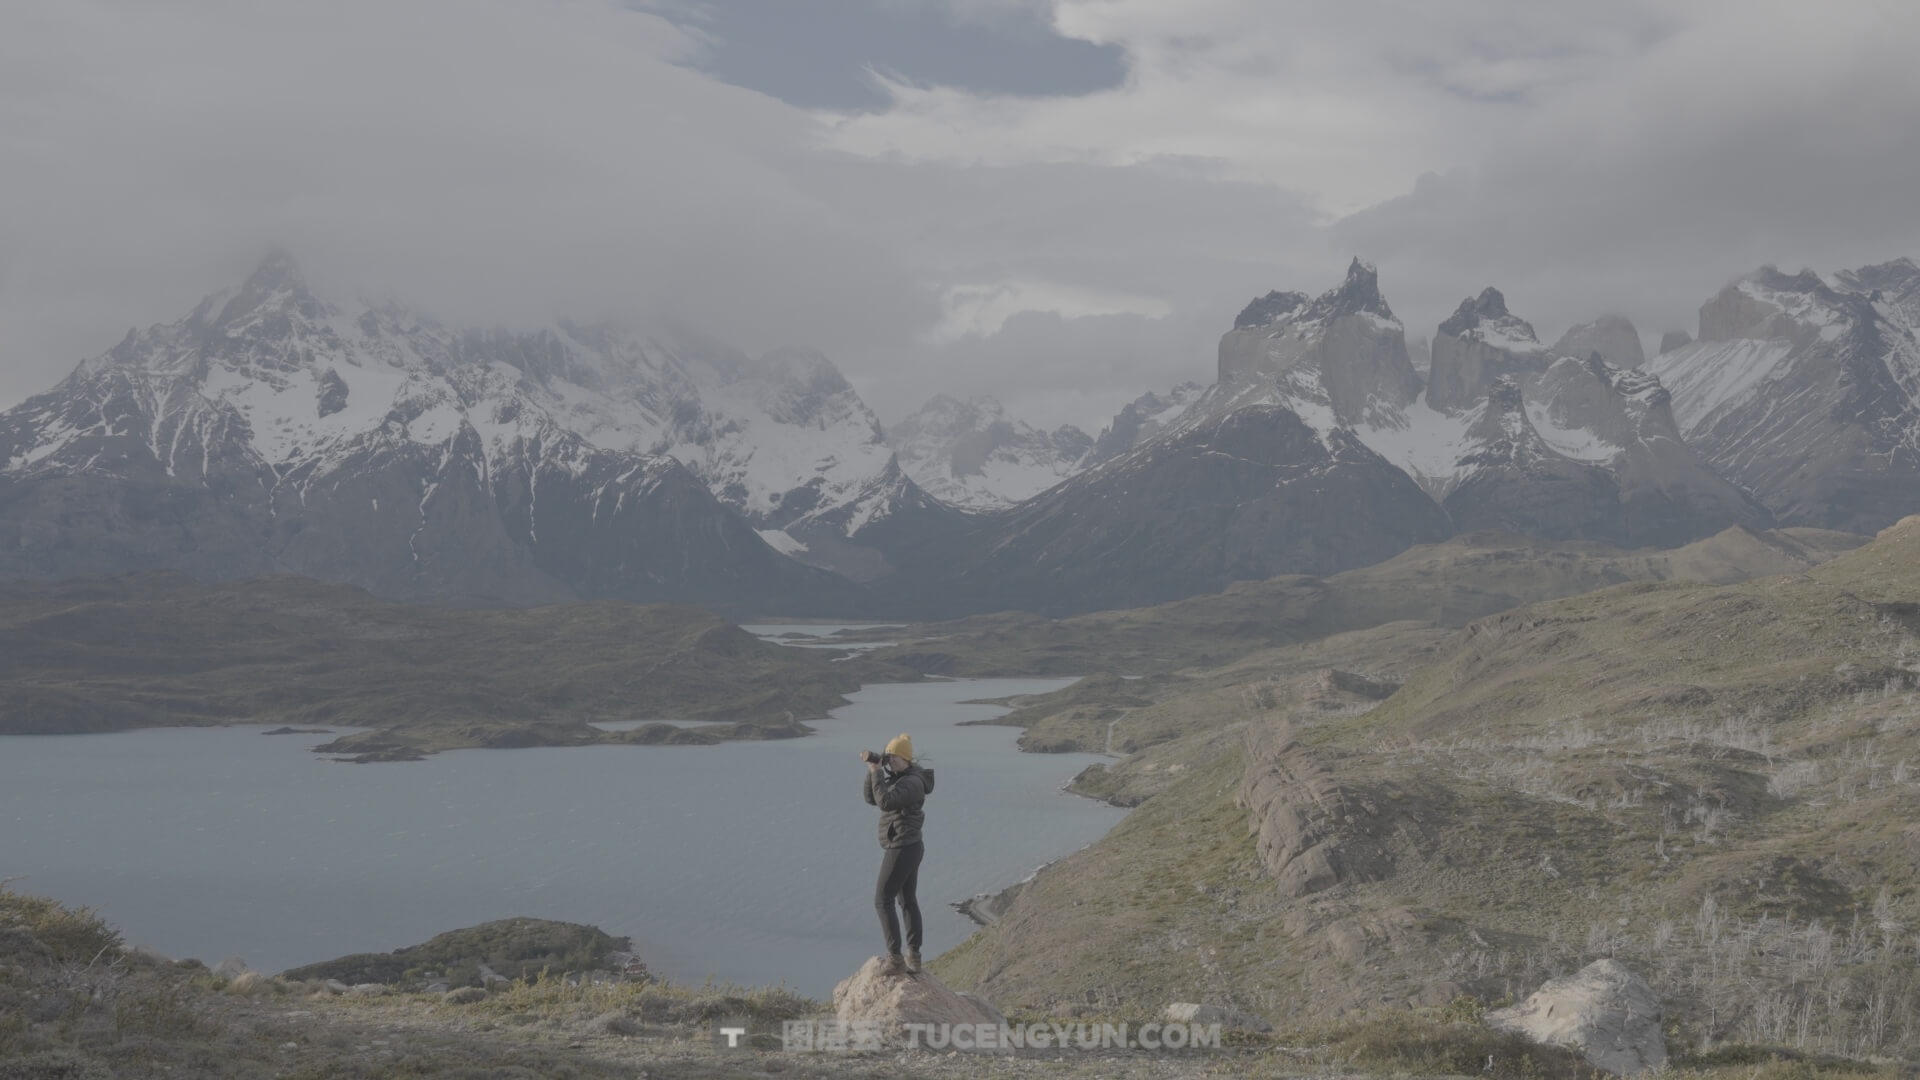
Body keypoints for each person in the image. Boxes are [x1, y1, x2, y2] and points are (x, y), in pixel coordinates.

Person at [860, 733, 935, 976]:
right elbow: (871, 798)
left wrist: (877, 773)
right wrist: (874, 769)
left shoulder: (911, 783)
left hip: (902, 847)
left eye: (894, 758)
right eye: (888, 757)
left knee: (883, 900)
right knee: (906, 901)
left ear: (905, 758)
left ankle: (895, 959)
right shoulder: (903, 777)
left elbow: (885, 802)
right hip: (909, 846)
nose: (890, 762)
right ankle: (913, 957)